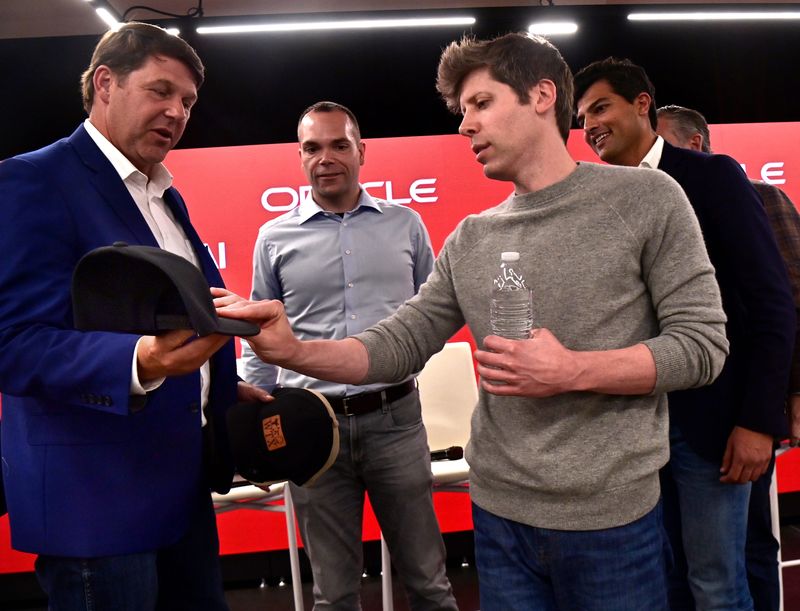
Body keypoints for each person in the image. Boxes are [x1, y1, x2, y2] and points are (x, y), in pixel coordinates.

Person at [215, 33, 730, 611]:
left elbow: (702, 346)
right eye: (462, 111)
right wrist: (291, 351)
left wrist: (573, 370)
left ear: (540, 96)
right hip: (500, 519)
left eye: (481, 104)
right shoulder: (472, 237)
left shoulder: (648, 198)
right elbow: (398, 342)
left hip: (611, 521)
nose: (465, 125)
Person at [0, 22, 267, 610]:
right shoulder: (33, 181)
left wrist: (219, 384)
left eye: (188, 102)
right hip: (96, 501)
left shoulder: (165, 195)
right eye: (161, 91)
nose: (176, 111)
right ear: (105, 84)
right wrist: (141, 359)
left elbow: (176, 318)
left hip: (183, 490)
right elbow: (14, 343)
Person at [574, 58, 796, 611]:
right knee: (665, 586)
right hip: (633, 432)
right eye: (581, 118)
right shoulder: (596, 199)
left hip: (715, 427)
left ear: (642, 104)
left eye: (600, 107)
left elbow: (772, 302)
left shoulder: (713, 177)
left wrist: (758, 421)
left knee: (718, 586)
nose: (590, 125)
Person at [240, 101, 456, 611]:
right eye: (313, 148)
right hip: (313, 431)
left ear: (362, 151)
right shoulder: (273, 238)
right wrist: (257, 427)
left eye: (339, 144)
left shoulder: (406, 225)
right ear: (300, 157)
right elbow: (260, 339)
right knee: (333, 596)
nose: (326, 157)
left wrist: (408, 362)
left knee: (429, 584)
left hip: (397, 420)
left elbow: (435, 315)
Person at [657, 103, 800, 611]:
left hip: (733, 414)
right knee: (680, 573)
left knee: (747, 553)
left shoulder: (758, 198)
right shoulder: (636, 206)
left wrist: (773, 410)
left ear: (692, 145)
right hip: (664, 420)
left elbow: (785, 301)